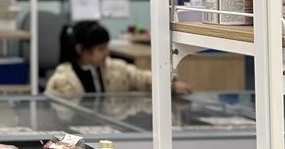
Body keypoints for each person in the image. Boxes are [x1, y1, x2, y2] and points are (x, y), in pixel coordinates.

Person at [45, 21, 190, 97]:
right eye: (100, 49)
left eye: (106, 47)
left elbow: (140, 78)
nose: (107, 53)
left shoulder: (115, 69)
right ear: (80, 49)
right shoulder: (62, 80)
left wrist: (170, 84)